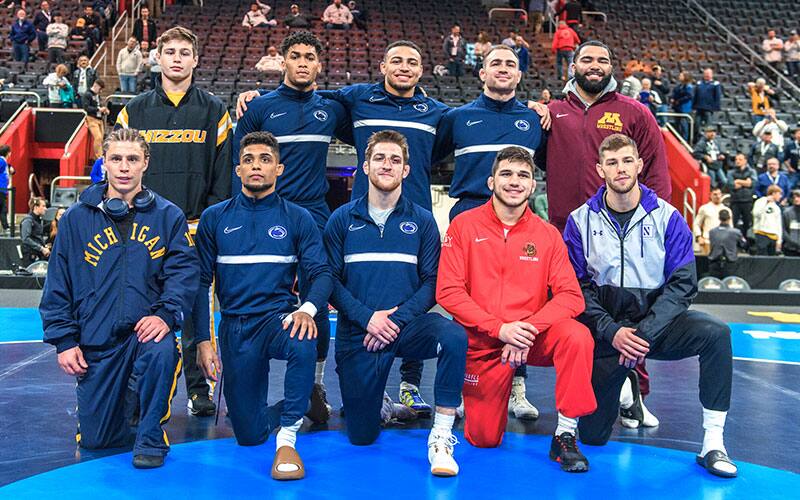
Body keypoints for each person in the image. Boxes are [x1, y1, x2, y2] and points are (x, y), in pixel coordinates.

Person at [564, 133, 737, 478]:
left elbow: (683, 285)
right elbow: (575, 287)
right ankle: (627, 386)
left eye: (627, 161)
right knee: (593, 436)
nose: (621, 169)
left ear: (640, 165)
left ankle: (713, 442)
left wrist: (643, 335)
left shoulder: (668, 217)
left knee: (716, 334)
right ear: (600, 170)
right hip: (607, 334)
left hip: (654, 329)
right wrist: (612, 332)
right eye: (612, 162)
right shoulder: (580, 220)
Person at [40, 128, 198, 470]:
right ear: (105, 163)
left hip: (144, 334)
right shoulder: (76, 219)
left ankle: (151, 434)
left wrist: (166, 314)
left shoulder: (168, 216)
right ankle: (129, 407)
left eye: (132, 159)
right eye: (116, 159)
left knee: (161, 348)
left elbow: (184, 275)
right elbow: (58, 284)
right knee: (97, 440)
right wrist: (65, 341)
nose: (124, 167)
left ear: (145, 163)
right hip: (97, 342)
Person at [437, 146, 595, 472]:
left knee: (577, 336)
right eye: (506, 174)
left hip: (530, 337)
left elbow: (571, 296)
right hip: (484, 342)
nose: (514, 181)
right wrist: (500, 329)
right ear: (491, 181)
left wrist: (526, 329)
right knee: (483, 438)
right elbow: (448, 292)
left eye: (523, 175)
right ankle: (485, 393)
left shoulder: (547, 235)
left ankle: (565, 435)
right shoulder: (464, 226)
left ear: (533, 185)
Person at [539, 40, 670, 426]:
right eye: (587, 59)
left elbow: (656, 171)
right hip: (567, 234)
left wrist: (650, 225)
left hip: (622, 232)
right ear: (573, 66)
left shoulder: (634, 111)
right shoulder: (553, 113)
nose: (595, 65)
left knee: (630, 310)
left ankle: (636, 392)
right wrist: (535, 111)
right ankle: (582, 394)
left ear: (612, 67)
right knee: (578, 314)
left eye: (603, 60)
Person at [325, 130, 467, 475]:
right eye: (379, 158)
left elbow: (432, 283)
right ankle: (381, 404)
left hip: (407, 327)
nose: (386, 165)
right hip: (360, 333)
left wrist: (394, 320)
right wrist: (367, 318)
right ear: (365, 166)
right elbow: (328, 282)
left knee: (454, 336)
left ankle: (441, 435)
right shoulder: (341, 219)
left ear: (406, 170)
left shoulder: (422, 220)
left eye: (395, 160)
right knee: (362, 436)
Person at [193, 131, 331, 480]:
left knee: (303, 338)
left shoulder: (298, 218)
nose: (257, 166)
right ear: (238, 169)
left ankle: (287, 439)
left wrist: (307, 309)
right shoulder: (214, 218)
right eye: (249, 160)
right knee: (249, 435)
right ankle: (304, 401)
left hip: (278, 320)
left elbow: (321, 273)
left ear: (278, 169)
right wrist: (203, 340)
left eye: (265, 159)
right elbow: (200, 283)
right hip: (236, 327)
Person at [233, 30, 351, 423]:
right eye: (296, 56)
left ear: (320, 64)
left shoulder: (330, 109)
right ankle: (250, 380)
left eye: (309, 57)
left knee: (316, 295)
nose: (302, 63)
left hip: (314, 214)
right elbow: (240, 163)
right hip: (267, 212)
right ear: (282, 60)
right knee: (260, 293)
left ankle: (314, 385)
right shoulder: (260, 106)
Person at [116, 26, 233, 418]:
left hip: (196, 231)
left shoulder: (214, 111)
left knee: (197, 313)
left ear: (196, 60)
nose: (177, 59)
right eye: (170, 52)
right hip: (143, 231)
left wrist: (210, 225)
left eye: (185, 52)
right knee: (147, 311)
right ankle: (138, 391)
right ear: (158, 58)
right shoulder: (134, 111)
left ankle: (199, 389)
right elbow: (120, 168)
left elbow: (222, 177)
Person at [433, 44, 545, 419]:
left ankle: (517, 387)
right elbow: (427, 156)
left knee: (522, 301)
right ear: (482, 73)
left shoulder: (533, 120)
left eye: (510, 64)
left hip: (517, 218)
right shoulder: (457, 118)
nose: (503, 68)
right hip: (469, 214)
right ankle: (462, 386)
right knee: (464, 302)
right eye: (495, 63)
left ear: (519, 75)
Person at [727, 153, 757, 238]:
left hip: (747, 201)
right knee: (733, 223)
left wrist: (738, 181)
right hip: (735, 201)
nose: (737, 161)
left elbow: (752, 184)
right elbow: (731, 185)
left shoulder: (752, 171)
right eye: (736, 159)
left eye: (740, 159)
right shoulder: (731, 172)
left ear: (745, 161)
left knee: (748, 223)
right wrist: (745, 182)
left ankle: (746, 241)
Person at [708, 209, 744, 278]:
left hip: (714, 263)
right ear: (729, 218)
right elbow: (743, 244)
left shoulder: (712, 232)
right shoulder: (736, 232)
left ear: (719, 218)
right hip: (730, 264)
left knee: (714, 283)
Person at [81, 79, 109, 160]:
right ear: (95, 85)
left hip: (99, 119)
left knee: (101, 138)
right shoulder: (87, 94)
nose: (100, 91)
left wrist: (104, 110)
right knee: (98, 137)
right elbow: (86, 107)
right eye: (100, 89)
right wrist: (99, 109)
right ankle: (98, 157)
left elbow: (98, 105)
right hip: (92, 118)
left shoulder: (97, 96)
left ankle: (100, 155)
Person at [693, 187, 726, 255]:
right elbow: (696, 224)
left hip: (723, 242)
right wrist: (699, 237)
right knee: (706, 261)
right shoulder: (704, 208)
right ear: (710, 195)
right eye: (715, 194)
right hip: (707, 241)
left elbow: (730, 227)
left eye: (719, 194)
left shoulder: (726, 210)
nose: (718, 196)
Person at [752, 185, 783, 255]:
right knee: (762, 258)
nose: (780, 196)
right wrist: (765, 203)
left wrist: (779, 240)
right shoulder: (760, 201)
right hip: (761, 234)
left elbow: (779, 224)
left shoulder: (776, 207)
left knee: (772, 259)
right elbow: (756, 214)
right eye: (779, 194)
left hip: (773, 237)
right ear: (774, 193)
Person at [693, 68, 723, 133]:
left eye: (708, 73)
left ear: (712, 74)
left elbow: (717, 96)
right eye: (705, 73)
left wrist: (716, 108)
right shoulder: (699, 83)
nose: (707, 75)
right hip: (699, 108)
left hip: (709, 109)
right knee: (696, 125)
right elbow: (695, 95)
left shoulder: (715, 84)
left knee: (708, 126)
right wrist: (694, 106)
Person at [21, 197, 49, 264]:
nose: (46, 209)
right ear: (36, 207)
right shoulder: (28, 220)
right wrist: (41, 248)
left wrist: (44, 246)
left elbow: (37, 237)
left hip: (37, 253)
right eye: (43, 206)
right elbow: (25, 238)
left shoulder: (38, 220)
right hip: (30, 255)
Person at [670, 71, 694, 141]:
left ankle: (684, 139)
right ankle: (678, 138)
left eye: (681, 75)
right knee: (677, 124)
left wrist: (678, 101)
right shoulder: (679, 86)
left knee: (683, 124)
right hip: (677, 107)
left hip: (684, 108)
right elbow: (674, 93)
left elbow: (689, 96)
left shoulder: (689, 87)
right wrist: (673, 98)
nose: (679, 77)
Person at [0, 145, 14, 234]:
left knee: (3, 209)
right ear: (8, 153)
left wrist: (10, 167)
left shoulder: (4, 162)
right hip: (1, 189)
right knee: (3, 209)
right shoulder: (1, 161)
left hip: (3, 189)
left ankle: (5, 227)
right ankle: (6, 227)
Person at [782, 190, 800, 256]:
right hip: (790, 248)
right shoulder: (786, 212)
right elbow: (783, 230)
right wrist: (792, 242)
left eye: (798, 197)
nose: (796, 199)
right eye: (794, 197)